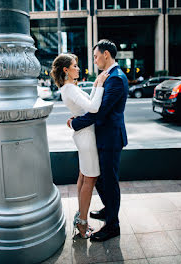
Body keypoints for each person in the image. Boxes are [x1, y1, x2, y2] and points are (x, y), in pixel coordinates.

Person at [67, 39, 128, 242]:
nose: (94, 61)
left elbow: (99, 112)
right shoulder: (109, 77)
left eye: (95, 56)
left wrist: (76, 123)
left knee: (109, 182)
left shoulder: (116, 78)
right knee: (102, 180)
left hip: (110, 139)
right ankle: (108, 210)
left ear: (106, 55)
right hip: (102, 138)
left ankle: (113, 226)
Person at [50, 53, 109, 239]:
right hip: (87, 138)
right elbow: (93, 108)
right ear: (66, 70)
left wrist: (95, 86)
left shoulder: (68, 88)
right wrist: (99, 84)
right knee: (89, 180)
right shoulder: (70, 89)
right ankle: (82, 224)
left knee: (84, 177)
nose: (78, 68)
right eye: (74, 65)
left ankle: (80, 217)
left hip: (83, 135)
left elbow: (87, 104)